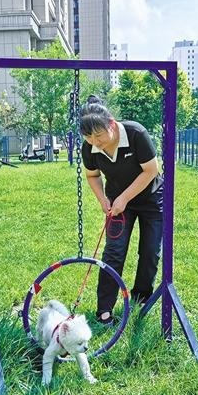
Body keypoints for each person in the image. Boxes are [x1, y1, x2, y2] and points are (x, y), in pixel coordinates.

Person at [80, 96, 163, 325]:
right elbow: (92, 175)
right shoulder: (90, 148)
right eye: (88, 137)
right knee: (114, 251)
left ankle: (140, 299)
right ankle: (104, 309)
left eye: (99, 135)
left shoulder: (136, 134)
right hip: (117, 202)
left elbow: (150, 171)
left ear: (112, 124)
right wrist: (103, 199)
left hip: (151, 198)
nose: (95, 142)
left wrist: (125, 198)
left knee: (150, 251)